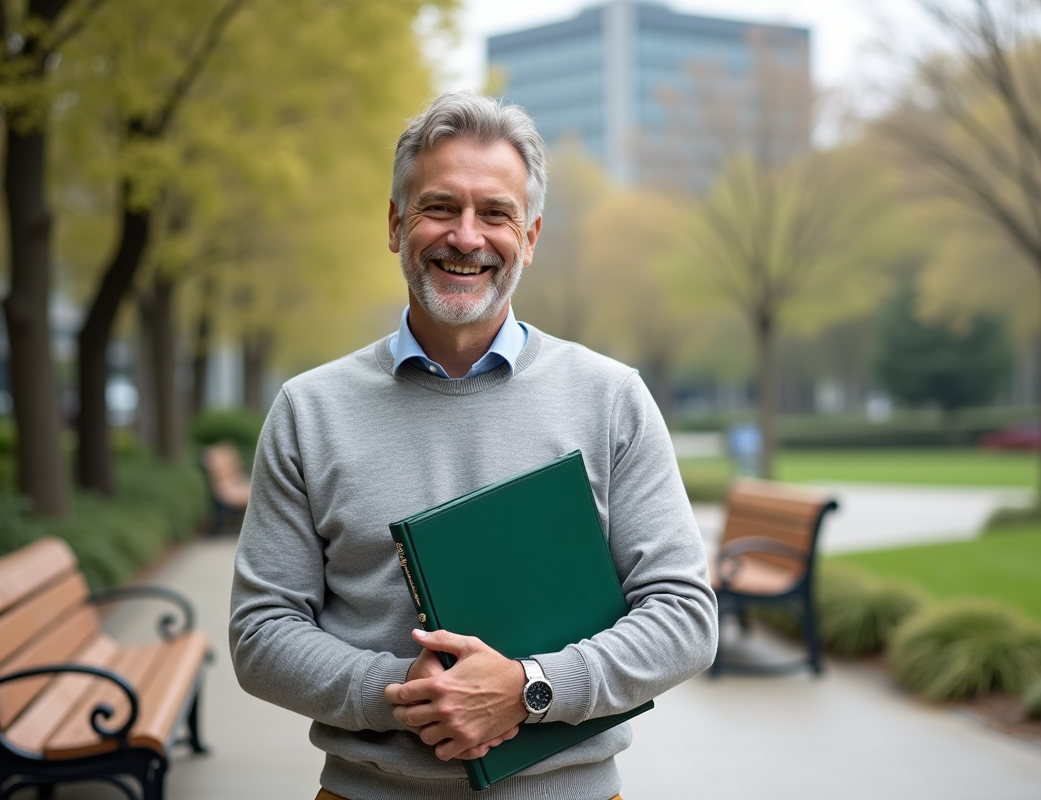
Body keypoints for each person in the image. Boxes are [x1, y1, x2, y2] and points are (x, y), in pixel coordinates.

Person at [229, 90, 718, 800]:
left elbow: (683, 615)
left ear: (531, 237)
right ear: (396, 225)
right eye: (439, 207)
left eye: (495, 213)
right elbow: (260, 633)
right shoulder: (310, 410)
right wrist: (398, 688)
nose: (466, 236)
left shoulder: (611, 399)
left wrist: (530, 688)